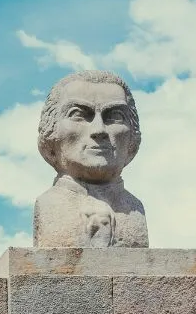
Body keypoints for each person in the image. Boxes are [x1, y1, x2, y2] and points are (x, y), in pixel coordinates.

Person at [33, 70, 148, 248]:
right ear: (51, 130)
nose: (99, 130)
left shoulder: (135, 209)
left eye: (115, 116)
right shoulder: (48, 206)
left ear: (132, 135)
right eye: (78, 114)